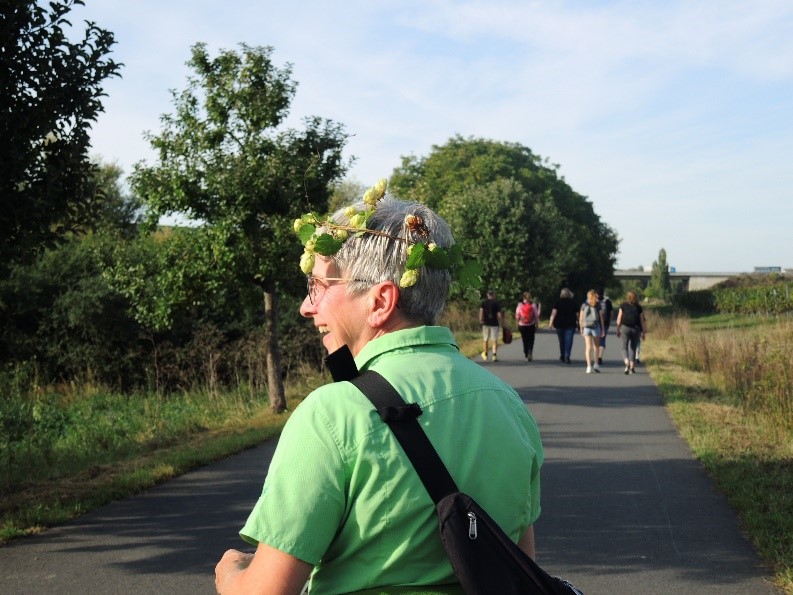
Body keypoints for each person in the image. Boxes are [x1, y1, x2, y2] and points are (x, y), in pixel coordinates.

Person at [215, 187, 544, 595]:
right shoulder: (507, 403)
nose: (306, 306)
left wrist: (231, 573)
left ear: (380, 301)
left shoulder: (332, 415)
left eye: (318, 285)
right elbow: (520, 569)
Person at [616, 290, 647, 374]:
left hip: (625, 327)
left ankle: (627, 362)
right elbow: (642, 321)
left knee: (624, 347)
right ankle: (632, 366)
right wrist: (644, 332)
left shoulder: (623, 305)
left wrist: (618, 329)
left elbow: (619, 319)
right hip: (636, 329)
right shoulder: (639, 307)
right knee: (633, 347)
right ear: (635, 298)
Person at [579, 289, 606, 374]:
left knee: (588, 347)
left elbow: (581, 317)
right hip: (596, 327)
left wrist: (581, 327)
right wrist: (602, 328)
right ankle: (596, 364)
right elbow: (601, 317)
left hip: (587, 327)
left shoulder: (584, 305)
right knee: (596, 346)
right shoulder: (597, 305)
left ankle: (588, 366)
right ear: (595, 296)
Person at [548, 288, 578, 364]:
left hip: (559, 324)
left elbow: (553, 313)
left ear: (561, 294)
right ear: (569, 294)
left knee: (562, 341)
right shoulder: (573, 303)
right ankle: (567, 356)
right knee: (569, 340)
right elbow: (578, 314)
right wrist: (580, 324)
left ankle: (562, 355)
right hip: (571, 324)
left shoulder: (557, 302)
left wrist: (550, 323)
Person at [479, 289, 503, 362]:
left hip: (486, 323)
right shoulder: (496, 303)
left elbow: (481, 312)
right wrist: (501, 321)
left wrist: (481, 320)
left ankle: (485, 354)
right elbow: (499, 315)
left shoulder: (483, 303)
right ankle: (494, 355)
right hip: (494, 323)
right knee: (494, 339)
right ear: (493, 295)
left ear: (487, 295)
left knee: (485, 339)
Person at [515, 291, 539, 361]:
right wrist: (537, 323)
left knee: (524, 339)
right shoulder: (533, 305)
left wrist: (517, 323)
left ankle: (526, 353)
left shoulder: (520, 305)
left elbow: (517, 315)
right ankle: (530, 351)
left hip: (522, 325)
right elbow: (536, 315)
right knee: (531, 340)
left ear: (523, 297)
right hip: (531, 324)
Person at [597, 289, 613, 365]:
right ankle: (599, 357)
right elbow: (611, 313)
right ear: (603, 294)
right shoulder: (607, 302)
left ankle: (595, 356)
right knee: (602, 340)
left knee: (595, 341)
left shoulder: (593, 301)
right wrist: (609, 321)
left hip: (594, 324)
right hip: (605, 323)